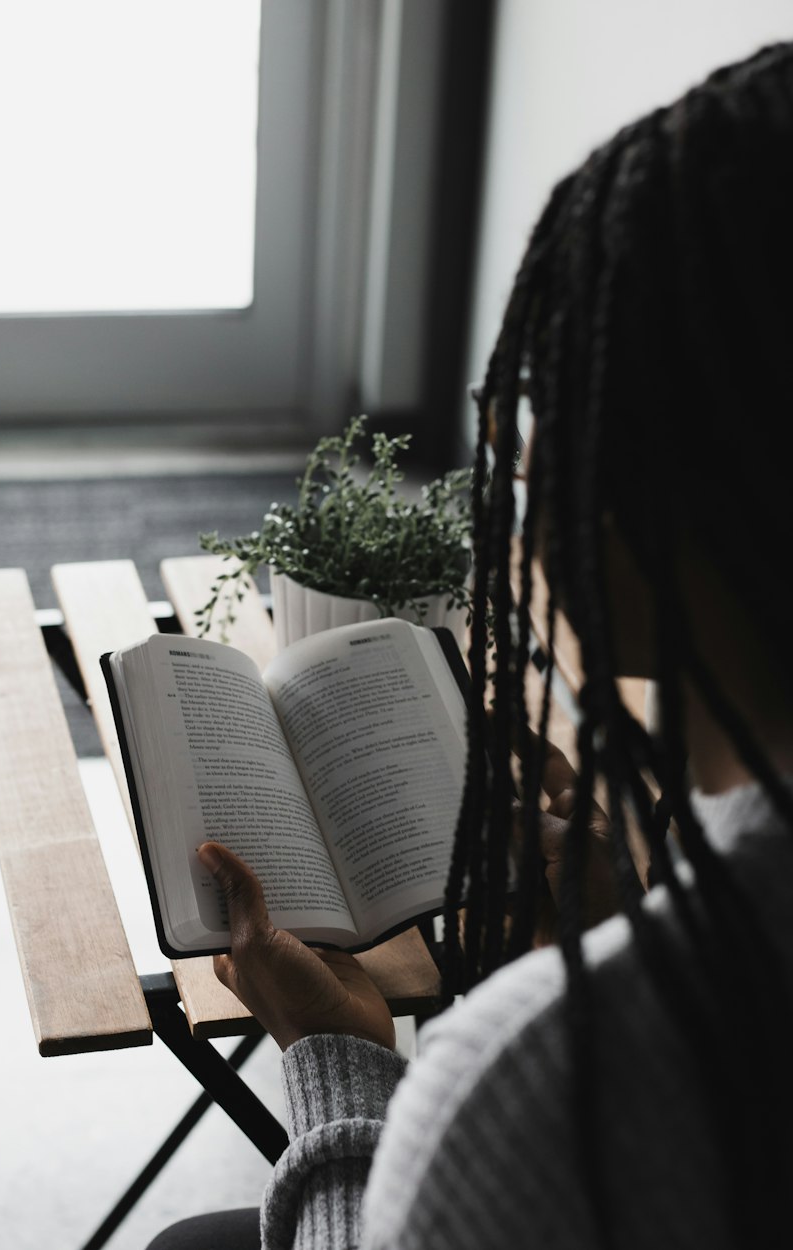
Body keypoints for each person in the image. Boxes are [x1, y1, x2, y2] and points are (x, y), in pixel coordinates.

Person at [148, 41, 793, 1250]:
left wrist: (339, 1061)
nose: (522, 447)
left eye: (551, 390)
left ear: (669, 490)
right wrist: (633, 899)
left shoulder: (552, 1083)